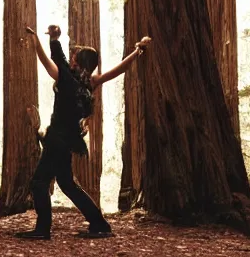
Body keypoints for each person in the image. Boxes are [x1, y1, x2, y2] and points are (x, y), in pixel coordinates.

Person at [14, 24, 152, 240]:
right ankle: (99, 224)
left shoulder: (65, 76)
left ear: (78, 62)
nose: (71, 58)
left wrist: (43, 41)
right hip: (68, 141)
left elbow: (47, 61)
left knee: (39, 182)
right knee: (67, 184)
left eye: (74, 56)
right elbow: (118, 70)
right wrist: (137, 52)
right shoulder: (91, 83)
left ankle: (42, 230)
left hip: (57, 140)